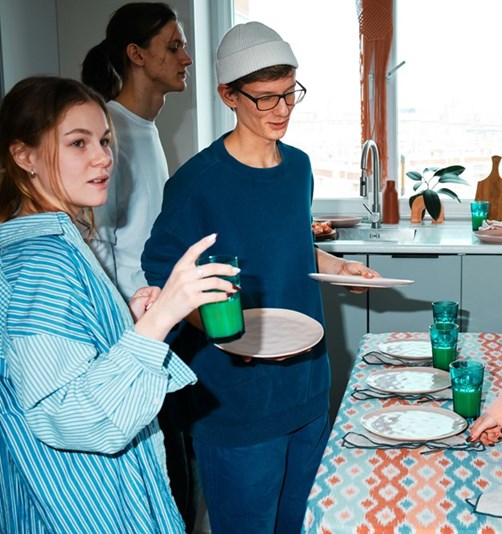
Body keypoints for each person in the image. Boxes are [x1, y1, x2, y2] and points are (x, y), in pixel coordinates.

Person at [141, 22, 379, 533]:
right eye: (265, 99)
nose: (283, 111)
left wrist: (340, 269)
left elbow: (289, 244)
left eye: (290, 93)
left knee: (304, 521)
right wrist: (222, 332)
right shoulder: (197, 184)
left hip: (309, 385)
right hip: (238, 399)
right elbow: (161, 276)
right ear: (228, 95)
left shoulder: (299, 167)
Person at [0, 76, 239, 532]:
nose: (103, 157)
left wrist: (126, 323)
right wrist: (165, 315)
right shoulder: (41, 260)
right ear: (23, 156)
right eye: (77, 143)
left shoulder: (51, 242)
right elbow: (68, 416)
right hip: (83, 508)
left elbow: (58, 364)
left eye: (105, 140)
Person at [81, 2, 193, 301]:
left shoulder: (145, 127)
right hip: (132, 314)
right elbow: (96, 241)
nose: (187, 59)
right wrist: (125, 320)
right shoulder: (107, 131)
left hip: (156, 305)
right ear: (137, 54)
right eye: (173, 48)